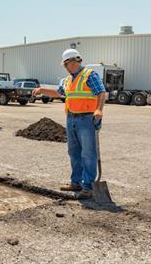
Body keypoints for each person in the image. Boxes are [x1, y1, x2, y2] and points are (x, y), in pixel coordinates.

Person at [32, 49, 107, 199]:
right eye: (65, 65)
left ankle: (88, 187)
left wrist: (99, 110)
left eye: (67, 64)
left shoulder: (89, 75)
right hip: (71, 118)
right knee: (74, 153)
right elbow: (59, 93)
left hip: (87, 119)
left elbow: (101, 93)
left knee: (87, 153)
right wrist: (42, 90)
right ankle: (76, 182)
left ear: (75, 61)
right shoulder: (67, 80)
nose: (66, 67)